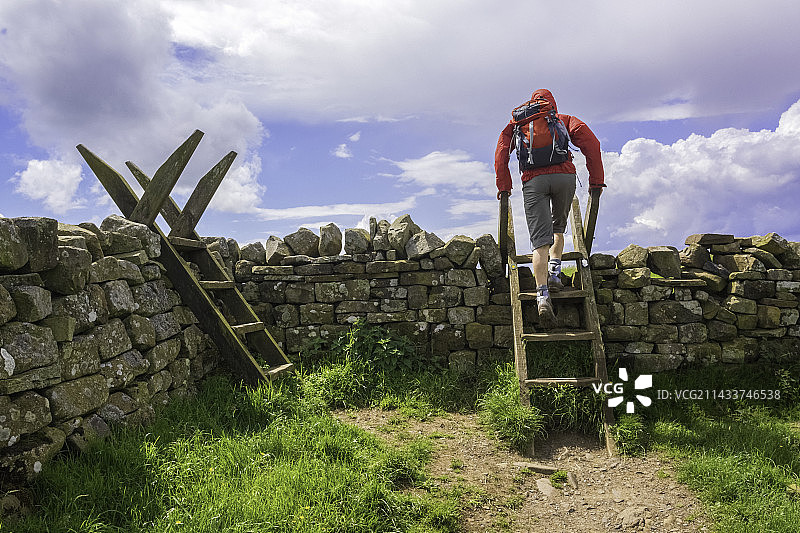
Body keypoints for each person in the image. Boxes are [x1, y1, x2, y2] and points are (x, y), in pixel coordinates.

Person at [494, 88, 605, 326]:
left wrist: (504, 186)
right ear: (552, 103)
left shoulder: (519, 122)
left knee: (539, 241)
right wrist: (596, 181)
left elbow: (502, 151)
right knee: (558, 227)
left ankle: (542, 296)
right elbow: (592, 145)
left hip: (533, 180)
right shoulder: (564, 119)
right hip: (564, 177)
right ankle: (555, 274)